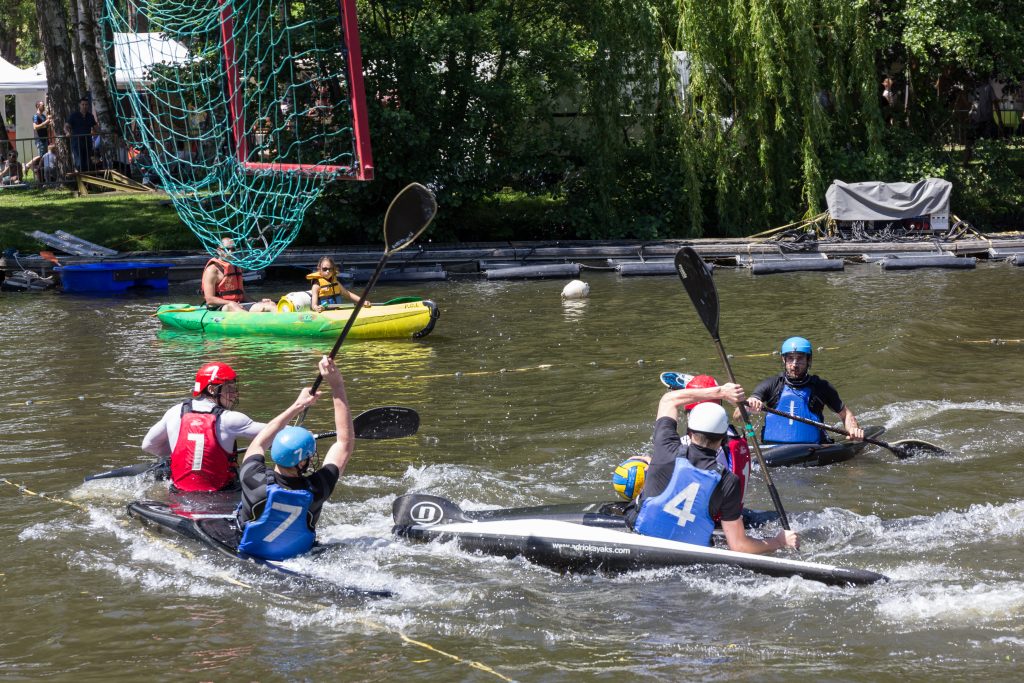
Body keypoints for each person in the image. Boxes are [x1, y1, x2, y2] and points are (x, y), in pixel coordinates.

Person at [629, 400, 799, 554]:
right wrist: (778, 541)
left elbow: (669, 400)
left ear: (688, 432)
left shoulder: (666, 449)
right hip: (691, 554)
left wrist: (720, 392)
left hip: (642, 535)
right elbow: (739, 546)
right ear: (724, 438)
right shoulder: (729, 480)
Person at [236, 355, 354, 560]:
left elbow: (259, 443)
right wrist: (337, 387)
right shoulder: (318, 488)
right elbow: (344, 443)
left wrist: (297, 406)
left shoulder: (252, 479)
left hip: (249, 550)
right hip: (298, 558)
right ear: (301, 462)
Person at [141, 361, 267, 492]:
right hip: (222, 498)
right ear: (212, 389)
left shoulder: (174, 411)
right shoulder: (230, 419)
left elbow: (148, 445)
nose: (234, 394)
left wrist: (181, 455)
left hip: (179, 497)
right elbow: (274, 432)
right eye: (229, 389)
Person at [743, 336, 864, 444]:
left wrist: (853, 429)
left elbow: (846, 414)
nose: (795, 364)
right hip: (772, 448)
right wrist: (749, 406)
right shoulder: (771, 384)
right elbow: (738, 414)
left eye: (800, 358)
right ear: (783, 360)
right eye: (790, 358)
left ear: (808, 360)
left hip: (812, 448)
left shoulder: (822, 387)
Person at [201, 237, 276, 312]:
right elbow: (210, 299)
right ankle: (251, 321)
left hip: (238, 304)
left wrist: (258, 302)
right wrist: (231, 302)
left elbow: (242, 294)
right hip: (219, 307)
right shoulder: (212, 270)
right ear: (219, 250)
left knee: (270, 304)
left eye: (233, 249)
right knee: (232, 306)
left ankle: (282, 321)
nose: (231, 252)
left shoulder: (236, 267)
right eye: (227, 249)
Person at [64, 97, 98, 172]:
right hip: (77, 142)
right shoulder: (74, 115)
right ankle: (80, 180)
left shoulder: (90, 116)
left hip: (88, 142)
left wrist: (99, 131)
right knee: (79, 163)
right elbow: (66, 126)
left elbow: (96, 127)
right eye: (83, 104)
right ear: (80, 105)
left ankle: (88, 182)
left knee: (88, 163)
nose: (84, 106)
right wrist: (67, 132)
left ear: (88, 105)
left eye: (86, 104)